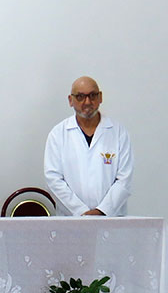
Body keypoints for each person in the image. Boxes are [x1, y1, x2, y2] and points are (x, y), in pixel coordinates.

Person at [43, 76, 133, 216]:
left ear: (100, 97)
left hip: (111, 219)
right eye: (80, 97)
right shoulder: (58, 134)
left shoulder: (118, 132)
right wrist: (82, 212)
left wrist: (102, 211)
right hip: (71, 219)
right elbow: (53, 179)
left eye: (92, 95)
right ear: (70, 100)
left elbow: (124, 179)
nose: (87, 102)